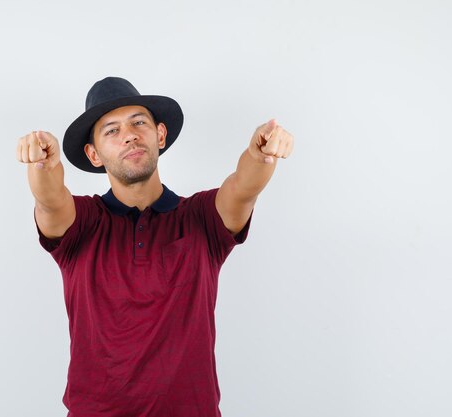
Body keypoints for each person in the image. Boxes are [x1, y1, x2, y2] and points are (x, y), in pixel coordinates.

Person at [16, 77, 294, 417]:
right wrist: (44, 165)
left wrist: (260, 155)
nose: (130, 135)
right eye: (111, 131)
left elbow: (243, 189)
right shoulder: (82, 224)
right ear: (94, 154)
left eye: (139, 122)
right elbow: (49, 200)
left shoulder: (202, 218)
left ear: (159, 135)